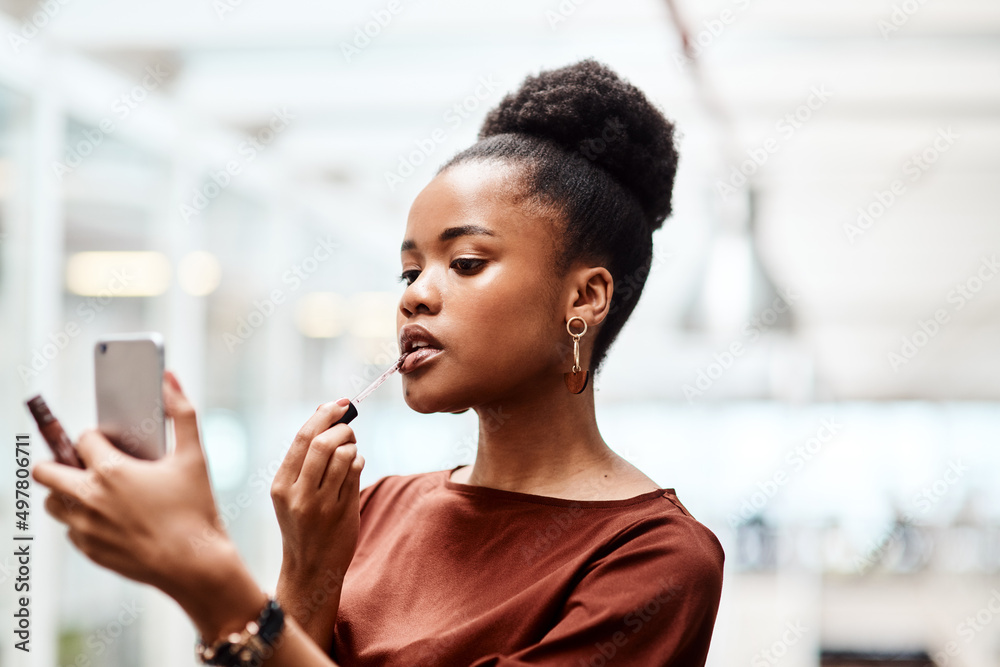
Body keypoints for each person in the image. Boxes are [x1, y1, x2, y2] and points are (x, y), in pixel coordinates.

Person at [33, 58, 725, 666]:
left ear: (585, 297)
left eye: (465, 262)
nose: (417, 296)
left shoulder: (655, 560)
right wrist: (305, 574)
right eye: (408, 271)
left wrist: (205, 570)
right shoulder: (367, 511)